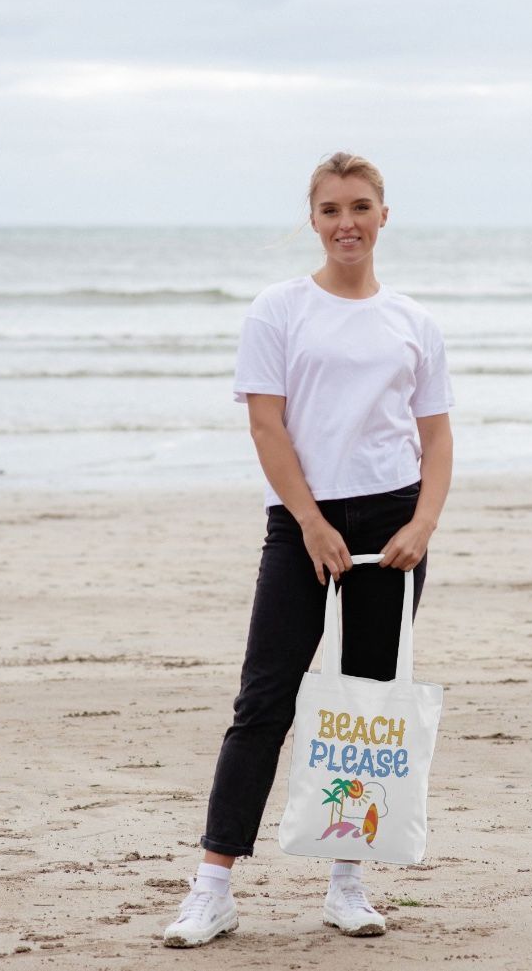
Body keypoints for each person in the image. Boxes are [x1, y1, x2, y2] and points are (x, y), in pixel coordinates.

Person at [163, 151, 455, 947]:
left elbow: (436, 436)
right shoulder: (278, 308)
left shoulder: (414, 322)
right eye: (330, 209)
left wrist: (422, 524)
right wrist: (311, 522)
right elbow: (268, 425)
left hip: (392, 529)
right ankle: (212, 886)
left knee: (366, 709)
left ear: (384, 215)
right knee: (264, 700)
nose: (346, 222)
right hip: (302, 525)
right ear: (314, 218)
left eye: (360, 206)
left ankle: (347, 881)